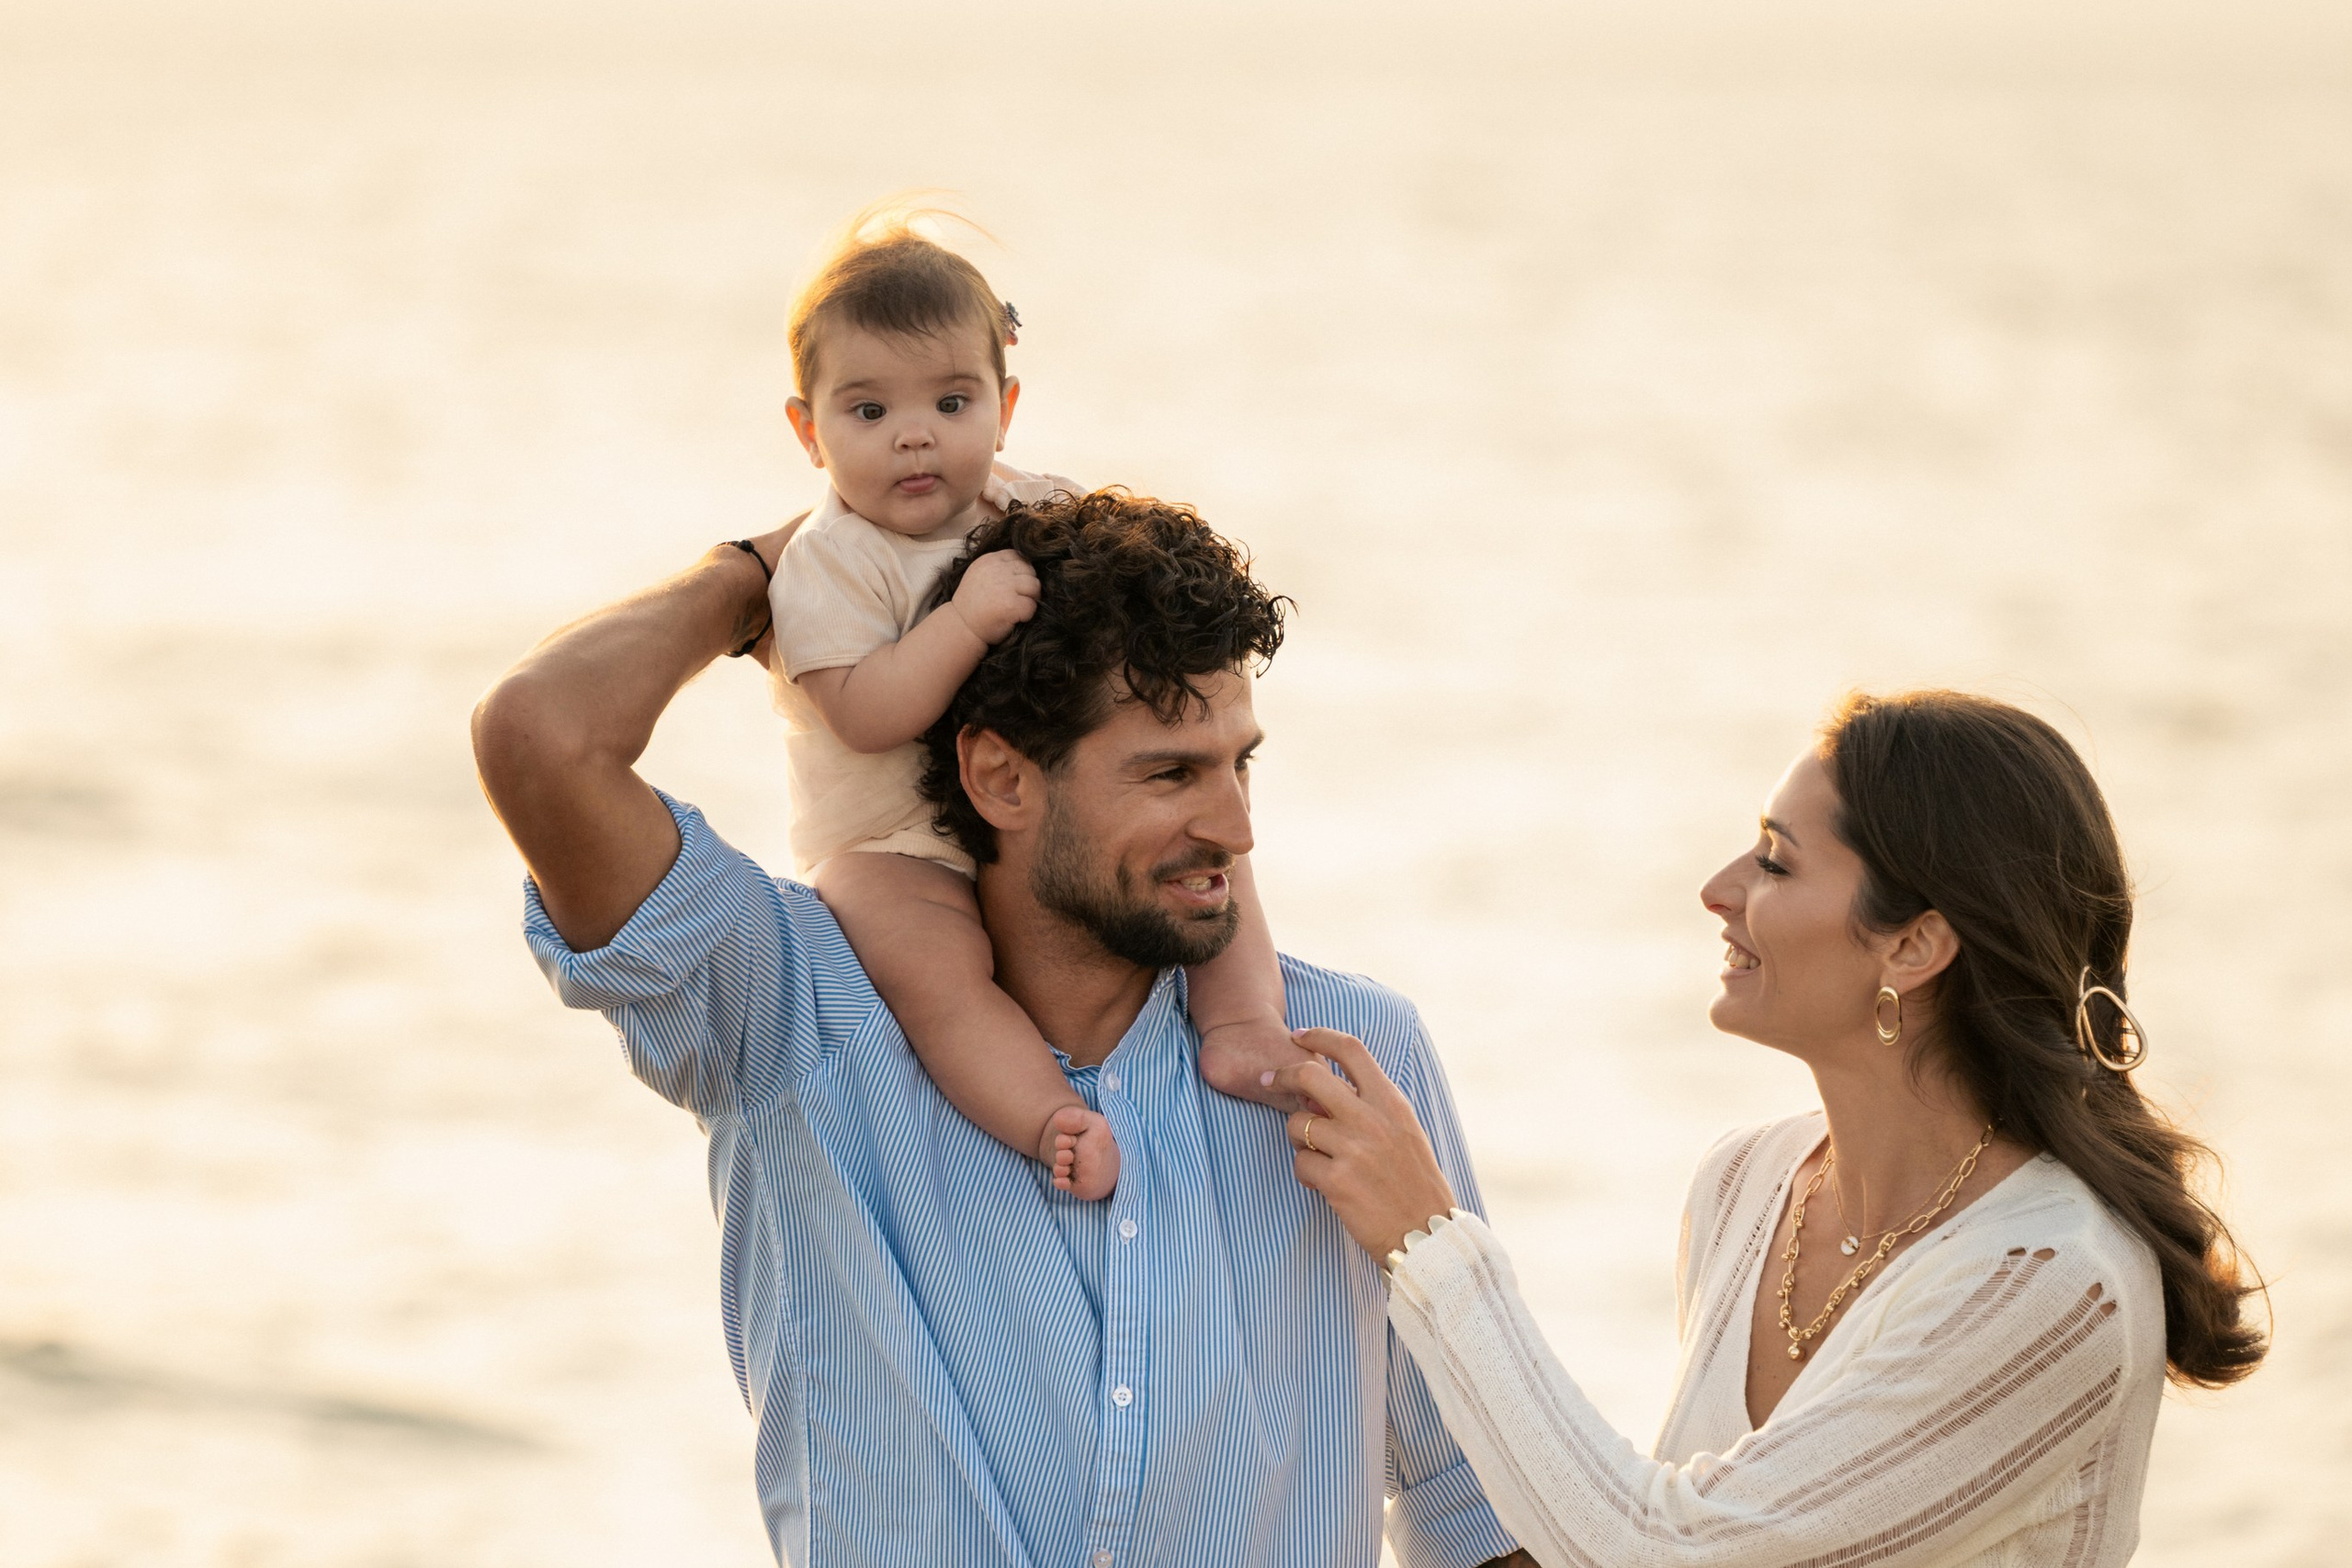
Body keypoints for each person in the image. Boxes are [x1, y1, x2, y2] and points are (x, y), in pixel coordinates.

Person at [469, 490, 1532, 1566]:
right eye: (1170, 772)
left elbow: (1482, 1512)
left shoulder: (1347, 1060)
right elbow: (541, 737)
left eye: (1237, 762)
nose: (1235, 828)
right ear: (1000, 778)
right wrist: (764, 576)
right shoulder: (788, 1016)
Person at [1275, 691, 2267, 1567]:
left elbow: (1667, 1548)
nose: (1718, 888)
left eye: (1775, 864)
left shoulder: (2052, 1281)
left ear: (1915, 945)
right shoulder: (1746, 1183)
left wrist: (1430, 1242)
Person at [763, 209, 1306, 1201]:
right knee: (935, 971)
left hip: (1030, 813)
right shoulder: (825, 563)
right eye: (868, 412)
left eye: (952, 401)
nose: (915, 434)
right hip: (889, 837)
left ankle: (1241, 1032)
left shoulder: (1027, 508)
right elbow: (865, 714)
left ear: (1005, 407)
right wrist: (963, 622)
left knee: (1213, 849)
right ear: (808, 430)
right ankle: (1046, 1118)